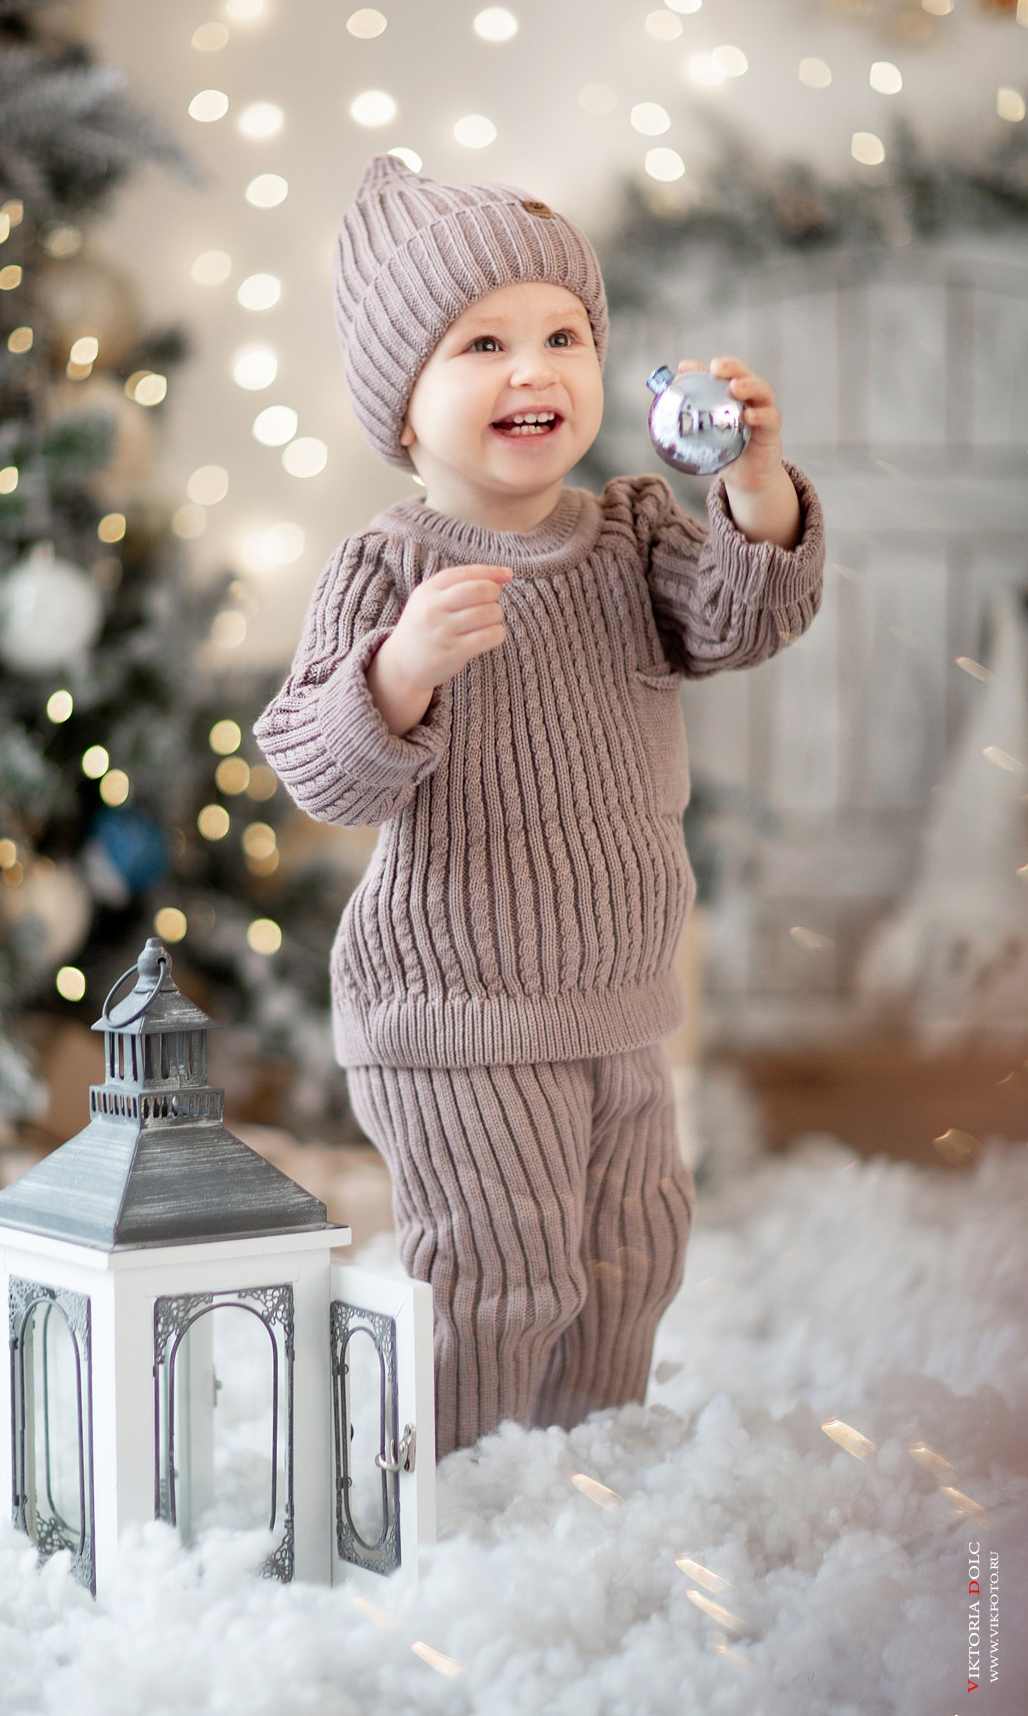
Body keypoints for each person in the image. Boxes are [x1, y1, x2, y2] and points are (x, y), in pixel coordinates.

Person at [254, 154, 825, 1458]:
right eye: (485, 343)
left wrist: (754, 488)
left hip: (618, 998)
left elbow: (749, 615)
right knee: (501, 1272)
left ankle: (587, 1479)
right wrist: (400, 672)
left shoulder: (630, 533)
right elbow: (317, 765)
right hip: (456, 1007)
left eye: (564, 335)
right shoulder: (390, 565)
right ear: (403, 408)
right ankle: (448, 1488)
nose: (537, 369)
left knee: (632, 1255)